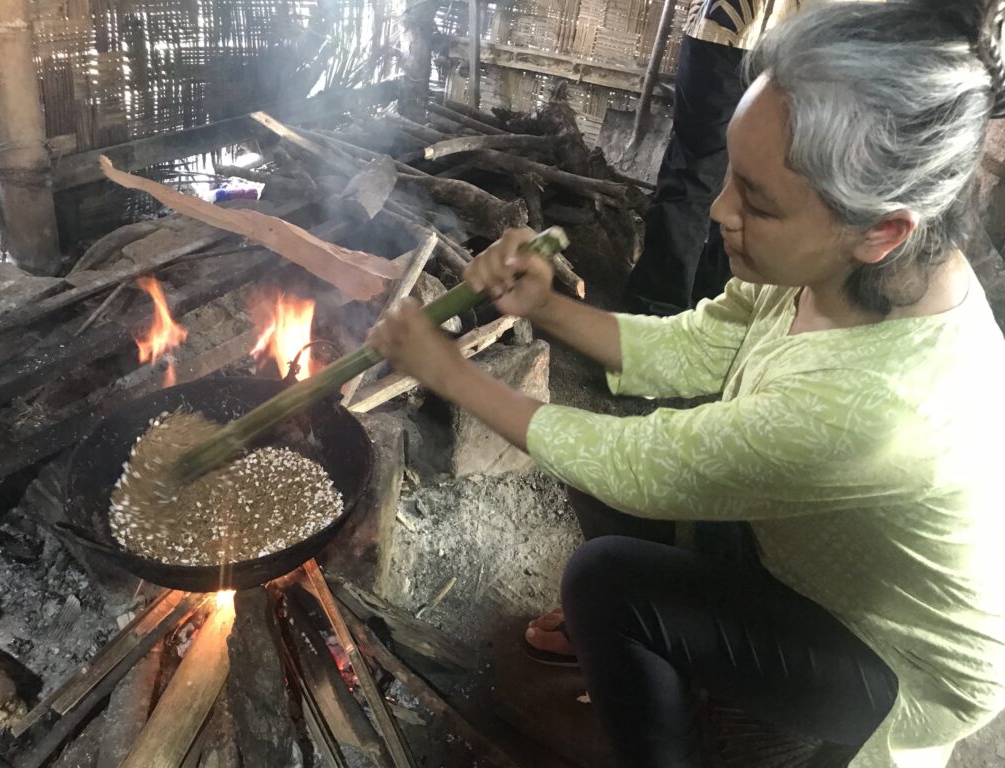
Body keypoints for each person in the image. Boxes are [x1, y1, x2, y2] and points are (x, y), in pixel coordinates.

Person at [368, 1, 1005, 766]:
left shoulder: (889, 408)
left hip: (894, 661)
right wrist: (545, 305)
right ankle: (653, 670)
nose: (718, 209)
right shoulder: (841, 267)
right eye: (732, 176)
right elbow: (691, 346)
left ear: (882, 229)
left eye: (757, 202)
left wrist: (453, 375)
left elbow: (645, 467)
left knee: (605, 577)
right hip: (811, 558)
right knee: (614, 480)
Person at [625, 0, 827, 316]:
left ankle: (666, 306)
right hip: (789, 39)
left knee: (709, 173)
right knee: (749, 179)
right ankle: (701, 307)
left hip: (758, 36)